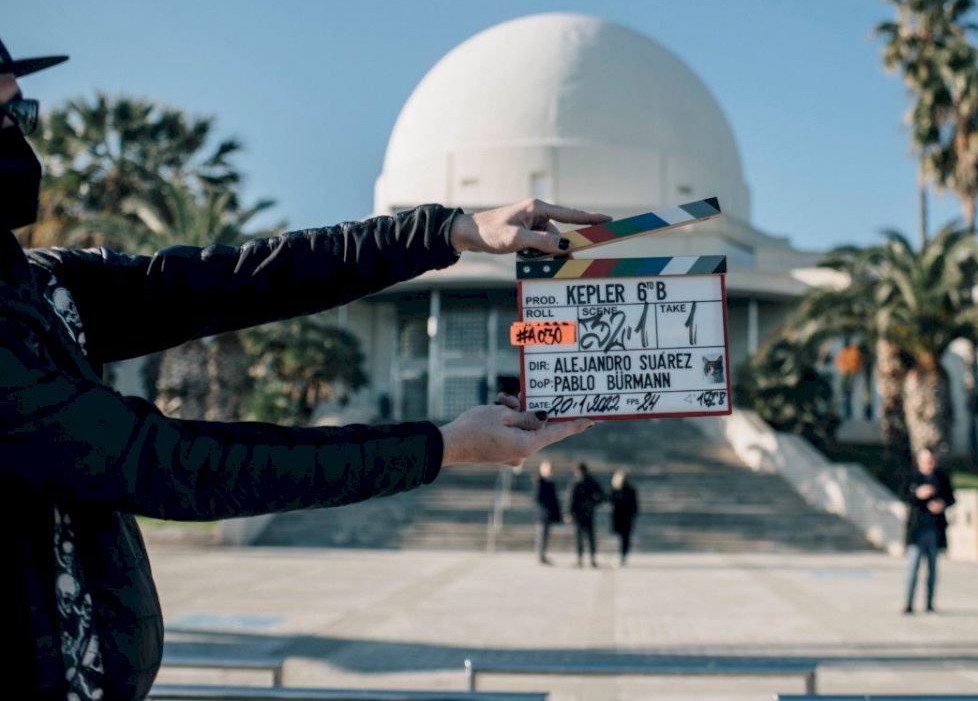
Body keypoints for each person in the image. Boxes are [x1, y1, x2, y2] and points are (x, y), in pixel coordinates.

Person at [0, 36, 610, 700]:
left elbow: (238, 280)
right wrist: (441, 446)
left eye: (21, 112)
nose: (18, 135)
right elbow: (176, 465)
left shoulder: (41, 285)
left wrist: (447, 232)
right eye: (1, 114)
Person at [902, 447, 955, 614]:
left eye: (931, 460)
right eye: (925, 460)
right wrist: (918, 495)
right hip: (917, 530)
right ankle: (908, 603)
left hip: (935, 530)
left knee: (932, 570)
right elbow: (904, 496)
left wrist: (942, 504)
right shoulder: (912, 477)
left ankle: (930, 604)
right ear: (919, 461)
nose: (929, 464)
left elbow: (951, 497)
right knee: (913, 568)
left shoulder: (941, 477)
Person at [568, 462, 606, 568]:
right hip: (587, 512)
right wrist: (594, 503)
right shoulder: (590, 481)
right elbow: (602, 496)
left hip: (581, 513)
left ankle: (582, 559)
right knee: (588, 537)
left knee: (582, 537)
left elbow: (571, 499)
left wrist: (569, 512)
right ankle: (590, 559)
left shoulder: (578, 482)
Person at [533, 460, 563, 565]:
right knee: (541, 536)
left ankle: (542, 555)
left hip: (548, 515)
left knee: (545, 536)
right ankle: (540, 556)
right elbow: (538, 498)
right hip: (543, 515)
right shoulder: (540, 482)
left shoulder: (550, 482)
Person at [609, 470, 639, 566]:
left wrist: (633, 514)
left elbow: (635, 505)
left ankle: (623, 555)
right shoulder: (615, 490)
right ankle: (621, 555)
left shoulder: (630, 490)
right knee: (622, 537)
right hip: (619, 517)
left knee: (625, 538)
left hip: (626, 518)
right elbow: (610, 501)